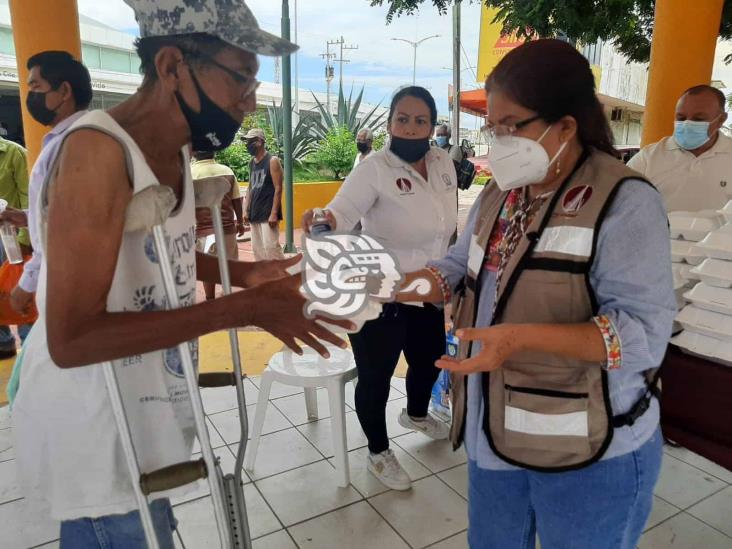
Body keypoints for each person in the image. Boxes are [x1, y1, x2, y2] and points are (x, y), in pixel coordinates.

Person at [11, 1, 350, 546]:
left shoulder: (175, 149)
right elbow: (71, 338)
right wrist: (243, 309)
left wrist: (244, 275)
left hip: (148, 419)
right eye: (241, 79)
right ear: (171, 66)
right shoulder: (97, 152)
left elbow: (155, 251)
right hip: (100, 432)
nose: (250, 100)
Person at [396, 40, 675, 548]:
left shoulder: (624, 201)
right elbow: (461, 265)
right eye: (492, 126)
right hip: (493, 433)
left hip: (590, 448)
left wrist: (520, 339)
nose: (498, 139)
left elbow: (643, 337)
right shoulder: (500, 191)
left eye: (512, 125)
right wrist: (405, 286)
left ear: (565, 125)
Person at [302, 86, 458, 491]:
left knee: (429, 361)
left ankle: (418, 414)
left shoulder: (443, 162)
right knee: (376, 377)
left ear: (431, 124)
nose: (410, 128)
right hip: (381, 294)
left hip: (429, 289)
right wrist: (322, 219)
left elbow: (447, 223)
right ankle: (377, 451)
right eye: (402, 119)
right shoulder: (373, 169)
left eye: (420, 120)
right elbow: (339, 212)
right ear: (389, 124)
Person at [0, 51, 92, 406]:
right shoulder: (62, 139)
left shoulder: (79, 143)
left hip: (67, 284)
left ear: (63, 90)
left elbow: (70, 225)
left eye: (36, 85)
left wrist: (26, 284)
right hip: (62, 284)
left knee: (29, 389)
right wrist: (24, 217)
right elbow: (58, 210)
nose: (31, 94)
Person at [628, 85, 732, 211]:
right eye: (680, 118)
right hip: (659, 230)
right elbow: (619, 201)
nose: (687, 124)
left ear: (721, 119)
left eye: (698, 119)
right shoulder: (648, 158)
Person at [192, 150, 246, 300]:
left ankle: (210, 299)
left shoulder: (190, 173)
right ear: (213, 153)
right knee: (227, 266)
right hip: (226, 228)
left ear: (195, 154)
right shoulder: (227, 171)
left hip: (203, 230)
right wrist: (240, 223)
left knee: (208, 268)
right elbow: (236, 199)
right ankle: (227, 295)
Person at [0, 135, 30, 358]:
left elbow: (28, 198)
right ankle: (4, 342)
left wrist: (23, 242)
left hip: (9, 237)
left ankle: (30, 345)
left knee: (18, 289)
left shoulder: (14, 153)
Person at [243, 127, 284, 260]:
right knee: (258, 250)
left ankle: (282, 276)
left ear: (260, 141)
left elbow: (278, 188)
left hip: (268, 213)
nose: (247, 145)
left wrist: (273, 213)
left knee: (271, 249)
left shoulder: (272, 161)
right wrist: (245, 210)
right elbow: (250, 187)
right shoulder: (252, 163)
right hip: (255, 212)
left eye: (250, 141)